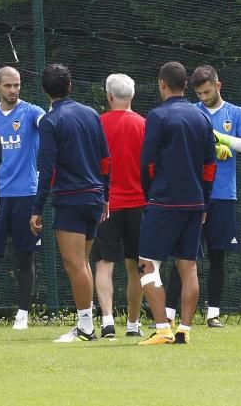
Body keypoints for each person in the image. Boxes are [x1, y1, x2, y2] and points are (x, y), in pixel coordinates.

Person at [164, 65, 241, 328]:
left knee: (218, 255)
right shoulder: (192, 113)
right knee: (183, 256)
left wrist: (225, 141)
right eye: (199, 93)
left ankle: (213, 314)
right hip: (192, 196)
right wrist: (207, 151)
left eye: (207, 92)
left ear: (218, 85)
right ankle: (169, 315)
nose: (203, 97)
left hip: (224, 196)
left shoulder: (236, 113)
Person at [137, 62, 216, 346]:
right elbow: (210, 167)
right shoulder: (202, 118)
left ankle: (162, 329)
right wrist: (204, 200)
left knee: (146, 265)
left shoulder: (158, 116)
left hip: (164, 202)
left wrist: (150, 193)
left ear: (162, 84)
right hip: (195, 203)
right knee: (188, 267)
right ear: (186, 84)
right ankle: (184, 329)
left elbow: (146, 163)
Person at [30, 63, 110, 343]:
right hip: (94, 197)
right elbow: (105, 160)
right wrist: (106, 196)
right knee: (83, 263)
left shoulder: (49, 121)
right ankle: (85, 324)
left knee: (74, 264)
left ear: (44, 90)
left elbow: (47, 169)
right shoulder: (91, 113)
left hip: (71, 200)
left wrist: (37, 208)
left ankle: (86, 327)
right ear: (70, 86)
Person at [0, 66, 45, 330]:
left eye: (17, 85)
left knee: (26, 257)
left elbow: (46, 124)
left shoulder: (32, 112)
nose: (13, 90)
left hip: (26, 195)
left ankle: (22, 314)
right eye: (8, 85)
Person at [92, 74, 146, 339]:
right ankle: (134, 324)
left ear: (109, 95)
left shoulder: (97, 124)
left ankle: (107, 321)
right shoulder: (145, 124)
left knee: (104, 263)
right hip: (140, 204)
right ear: (132, 96)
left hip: (107, 205)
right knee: (137, 265)